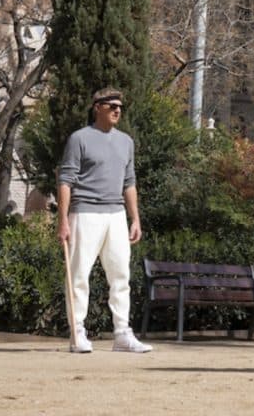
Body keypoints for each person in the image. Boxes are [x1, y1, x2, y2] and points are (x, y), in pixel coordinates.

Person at [57, 87, 152, 353]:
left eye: (120, 106)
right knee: (78, 276)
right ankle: (77, 333)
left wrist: (135, 219)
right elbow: (66, 180)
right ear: (96, 107)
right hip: (85, 212)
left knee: (121, 275)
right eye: (111, 105)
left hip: (116, 215)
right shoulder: (79, 139)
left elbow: (129, 182)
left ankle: (122, 334)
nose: (117, 110)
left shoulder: (126, 142)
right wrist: (62, 219)